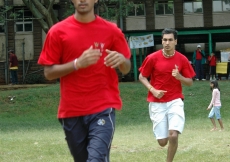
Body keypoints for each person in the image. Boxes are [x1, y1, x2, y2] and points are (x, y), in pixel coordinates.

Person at [37, 0, 131, 161]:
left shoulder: (111, 31)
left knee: (96, 159)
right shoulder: (57, 31)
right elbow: (48, 73)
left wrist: (122, 59)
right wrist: (76, 64)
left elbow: (126, 67)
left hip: (103, 107)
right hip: (72, 110)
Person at [139, 28, 195, 162]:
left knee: (173, 135)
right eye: (165, 40)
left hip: (175, 100)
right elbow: (142, 76)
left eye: (170, 40)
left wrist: (180, 77)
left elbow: (190, 82)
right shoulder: (152, 58)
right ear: (162, 41)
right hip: (157, 102)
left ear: (176, 41)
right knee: (162, 141)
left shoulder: (182, 59)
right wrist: (152, 90)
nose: (167, 42)